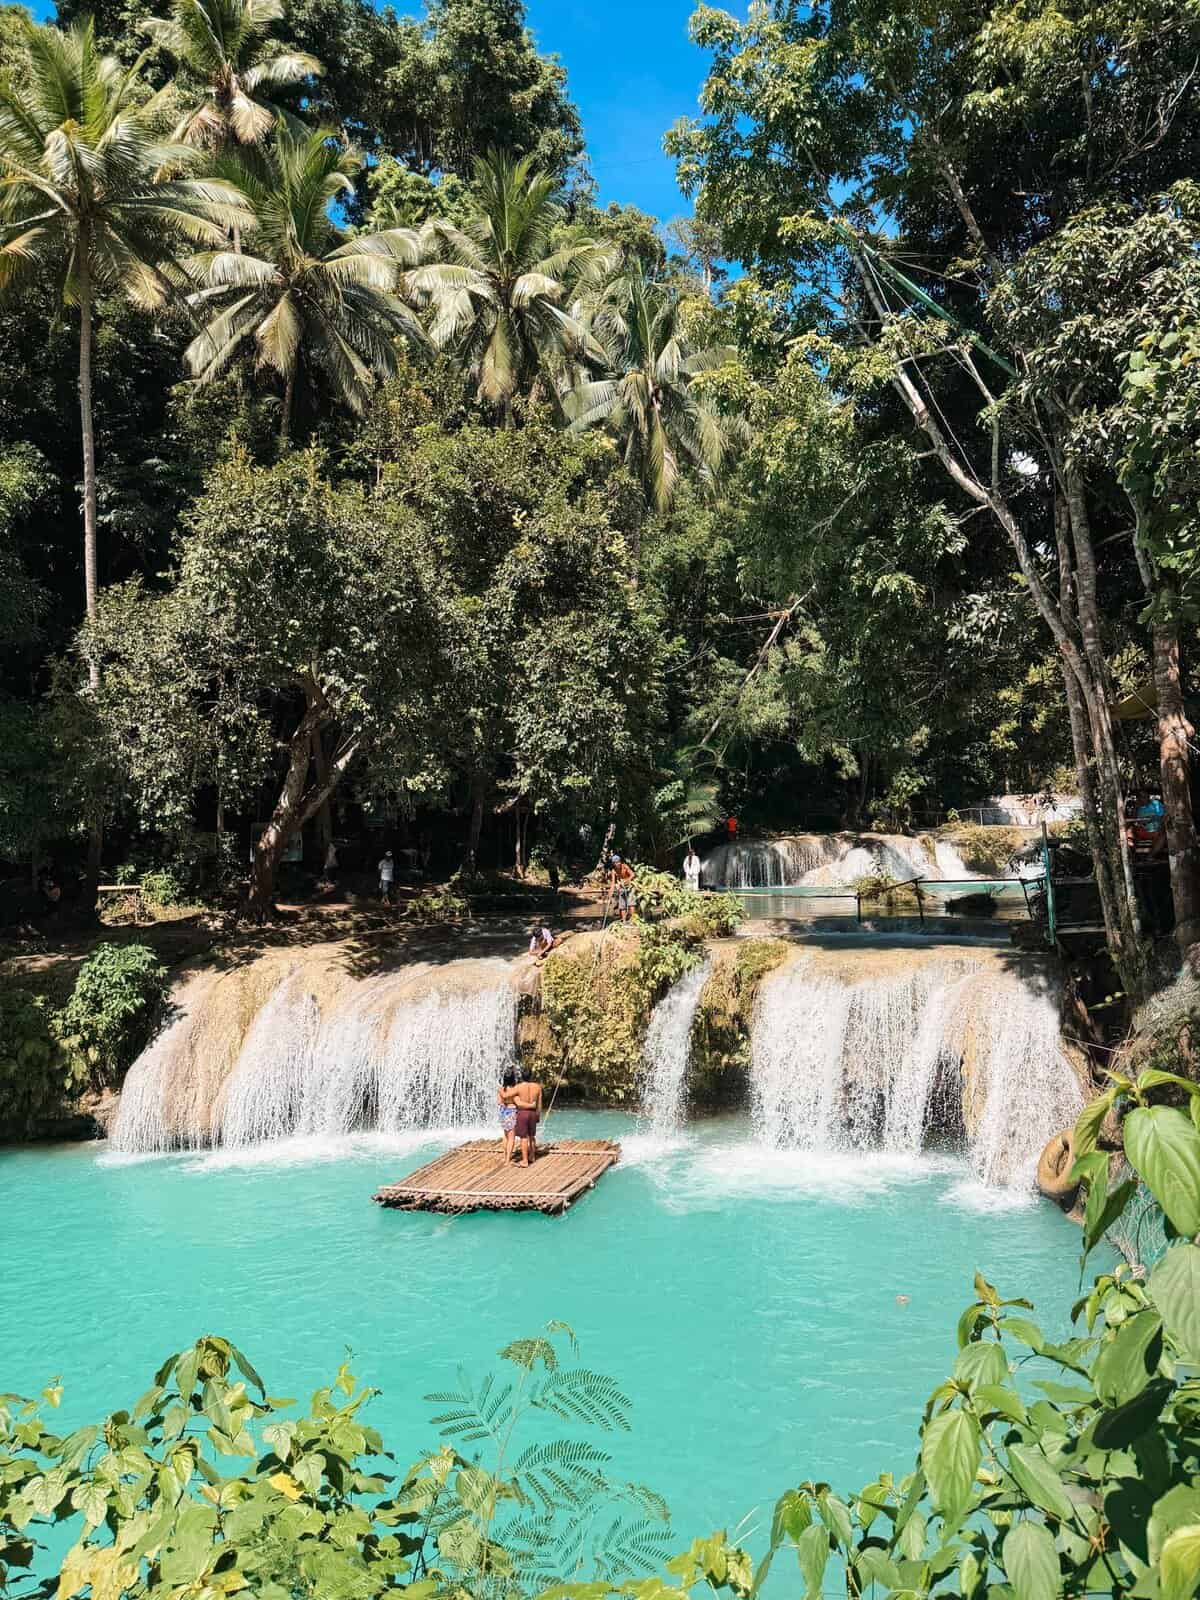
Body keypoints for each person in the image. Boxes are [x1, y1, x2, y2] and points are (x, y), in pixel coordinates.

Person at [511, 1068, 543, 1167]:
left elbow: (508, 1097)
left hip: (522, 1113)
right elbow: (539, 1103)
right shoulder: (538, 1087)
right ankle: (532, 1156)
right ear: (531, 1076)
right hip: (533, 1113)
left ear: (521, 1076)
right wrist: (538, 1115)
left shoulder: (518, 1087)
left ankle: (525, 1161)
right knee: (532, 1136)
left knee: (523, 1137)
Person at [607, 853, 635, 923]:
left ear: (620, 861)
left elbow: (633, 874)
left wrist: (626, 881)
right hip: (622, 888)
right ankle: (624, 921)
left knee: (631, 903)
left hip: (630, 886)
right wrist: (610, 892)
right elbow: (613, 883)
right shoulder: (614, 871)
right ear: (613, 864)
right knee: (622, 905)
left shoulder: (625, 866)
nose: (618, 864)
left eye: (619, 862)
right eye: (616, 863)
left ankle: (634, 920)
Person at [498, 1069, 518, 1162]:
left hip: (502, 1112)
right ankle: (507, 1160)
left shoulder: (501, 1089)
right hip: (511, 1112)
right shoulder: (514, 1090)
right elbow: (517, 1102)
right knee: (511, 1137)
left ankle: (504, 1156)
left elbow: (499, 1102)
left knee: (505, 1135)